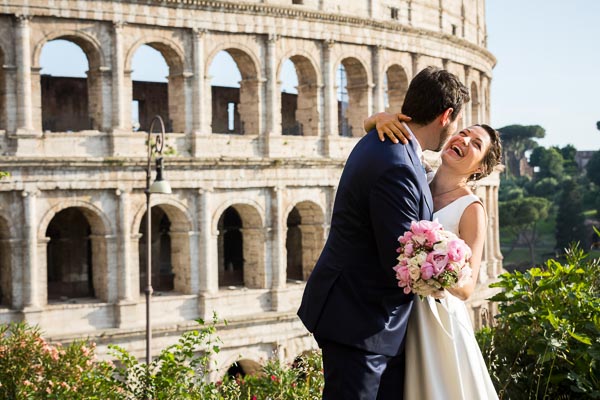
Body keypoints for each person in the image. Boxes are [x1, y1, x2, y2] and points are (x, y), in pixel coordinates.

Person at [297, 66, 470, 400]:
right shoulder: (399, 164)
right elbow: (401, 258)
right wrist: (446, 271)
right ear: (446, 115)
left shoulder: (387, 142)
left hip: (362, 316)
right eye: (458, 123)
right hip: (360, 319)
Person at [365, 112, 502, 399]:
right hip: (398, 309)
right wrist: (377, 120)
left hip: (437, 319)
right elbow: (374, 136)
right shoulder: (417, 174)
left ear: (479, 169)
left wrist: (430, 262)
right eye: (464, 132)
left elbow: (466, 287)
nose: (464, 140)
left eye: (476, 144)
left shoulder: (472, 209)